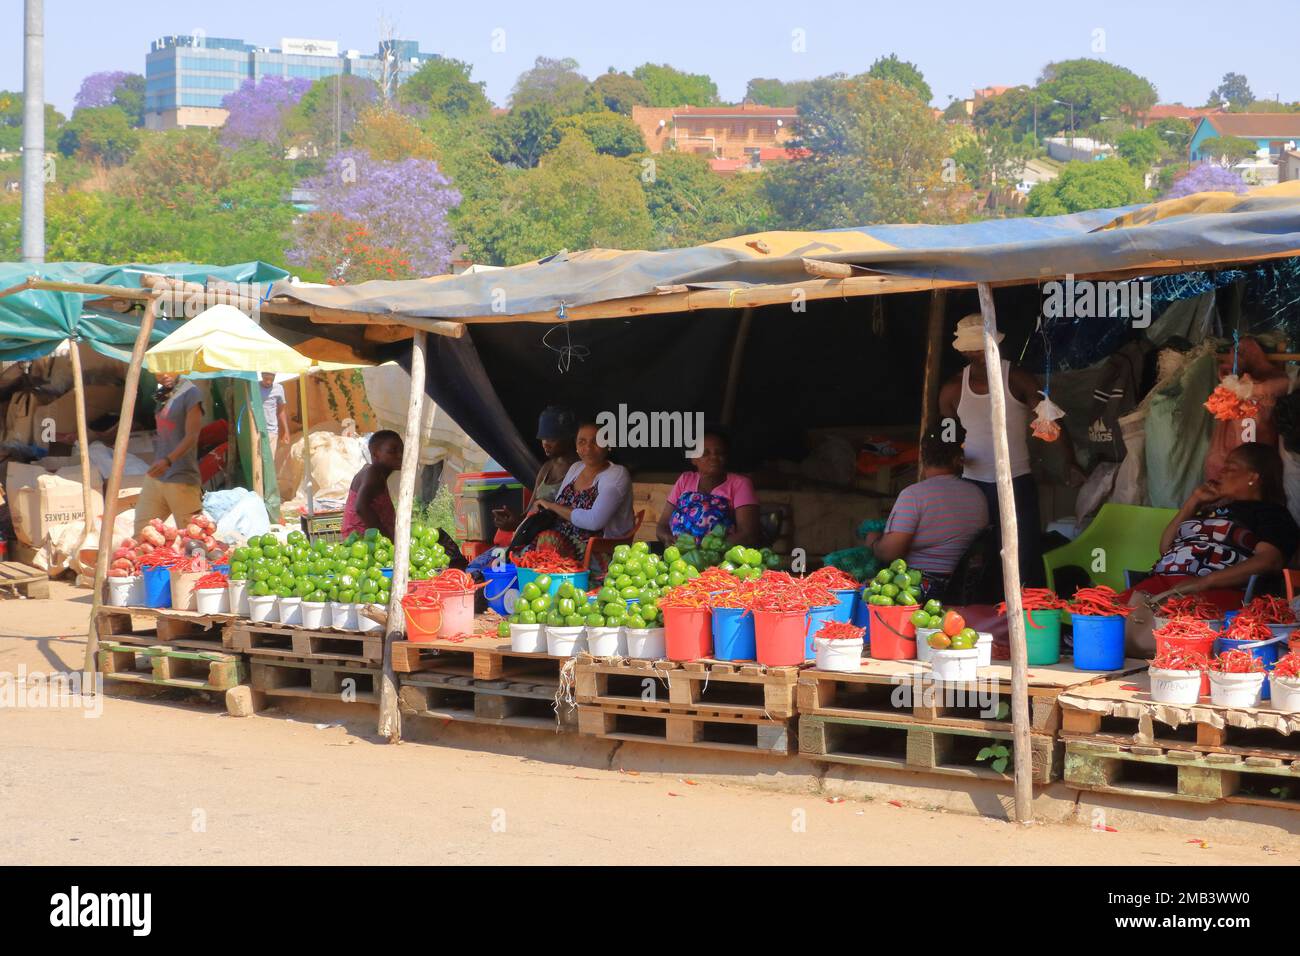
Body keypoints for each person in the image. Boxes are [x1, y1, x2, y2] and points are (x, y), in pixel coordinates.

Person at [939, 313, 1058, 587]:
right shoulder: (952, 389)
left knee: (1024, 551)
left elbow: (1049, 418)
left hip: (1017, 479)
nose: (978, 353)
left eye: (982, 347)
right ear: (965, 350)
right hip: (972, 484)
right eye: (974, 349)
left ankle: (1029, 611)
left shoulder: (1017, 378)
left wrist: (1069, 460)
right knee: (979, 552)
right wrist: (951, 463)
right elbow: (947, 438)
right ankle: (983, 606)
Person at [1141, 442, 1299, 602]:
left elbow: (1270, 560)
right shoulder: (1212, 509)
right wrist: (1193, 501)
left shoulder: (1272, 513)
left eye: (1230, 468)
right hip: (1162, 584)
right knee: (1119, 615)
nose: (1221, 472)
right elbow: (1165, 548)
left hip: (1214, 591)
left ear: (1253, 477)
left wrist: (1205, 582)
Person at [866, 428, 989, 593]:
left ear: (922, 456)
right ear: (958, 459)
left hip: (922, 588)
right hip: (968, 588)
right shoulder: (977, 494)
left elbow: (890, 552)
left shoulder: (913, 495)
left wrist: (873, 543)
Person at [527, 422, 634, 561]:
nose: (588, 447)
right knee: (521, 554)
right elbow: (558, 505)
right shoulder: (576, 468)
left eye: (596, 441)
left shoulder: (617, 474)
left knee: (545, 544)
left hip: (597, 551)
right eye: (582, 442)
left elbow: (594, 521)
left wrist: (552, 506)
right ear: (576, 446)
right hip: (560, 541)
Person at [656, 429, 760, 547]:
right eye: (705, 453)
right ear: (694, 459)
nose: (714, 457)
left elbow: (748, 535)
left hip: (720, 558)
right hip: (679, 557)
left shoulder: (740, 484)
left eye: (719, 452)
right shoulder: (685, 480)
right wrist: (667, 538)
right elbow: (662, 525)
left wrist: (708, 549)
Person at [491, 405, 578, 541]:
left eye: (552, 439)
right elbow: (530, 513)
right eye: (543, 439)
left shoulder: (581, 470)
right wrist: (512, 521)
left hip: (563, 543)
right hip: (536, 540)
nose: (545, 444)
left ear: (569, 437)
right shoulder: (547, 468)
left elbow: (578, 519)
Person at [135, 372, 204, 535]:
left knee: (194, 540)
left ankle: (200, 562)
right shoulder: (164, 393)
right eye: (158, 370)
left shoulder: (191, 393)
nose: (163, 374)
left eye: (168, 368)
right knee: (142, 534)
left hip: (180, 478)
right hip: (156, 477)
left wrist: (168, 460)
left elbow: (192, 436)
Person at [342, 430, 402, 540]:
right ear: (375, 454)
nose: (400, 455)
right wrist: (387, 539)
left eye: (402, 450)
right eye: (392, 451)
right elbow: (361, 507)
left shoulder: (379, 473)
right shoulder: (373, 473)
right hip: (362, 541)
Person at [259, 372, 290, 449]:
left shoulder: (279, 388)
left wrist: (286, 431)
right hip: (256, 430)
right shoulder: (254, 387)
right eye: (266, 379)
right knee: (257, 460)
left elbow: (281, 411)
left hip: (271, 431)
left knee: (269, 460)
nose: (269, 382)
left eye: (271, 379)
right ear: (262, 376)